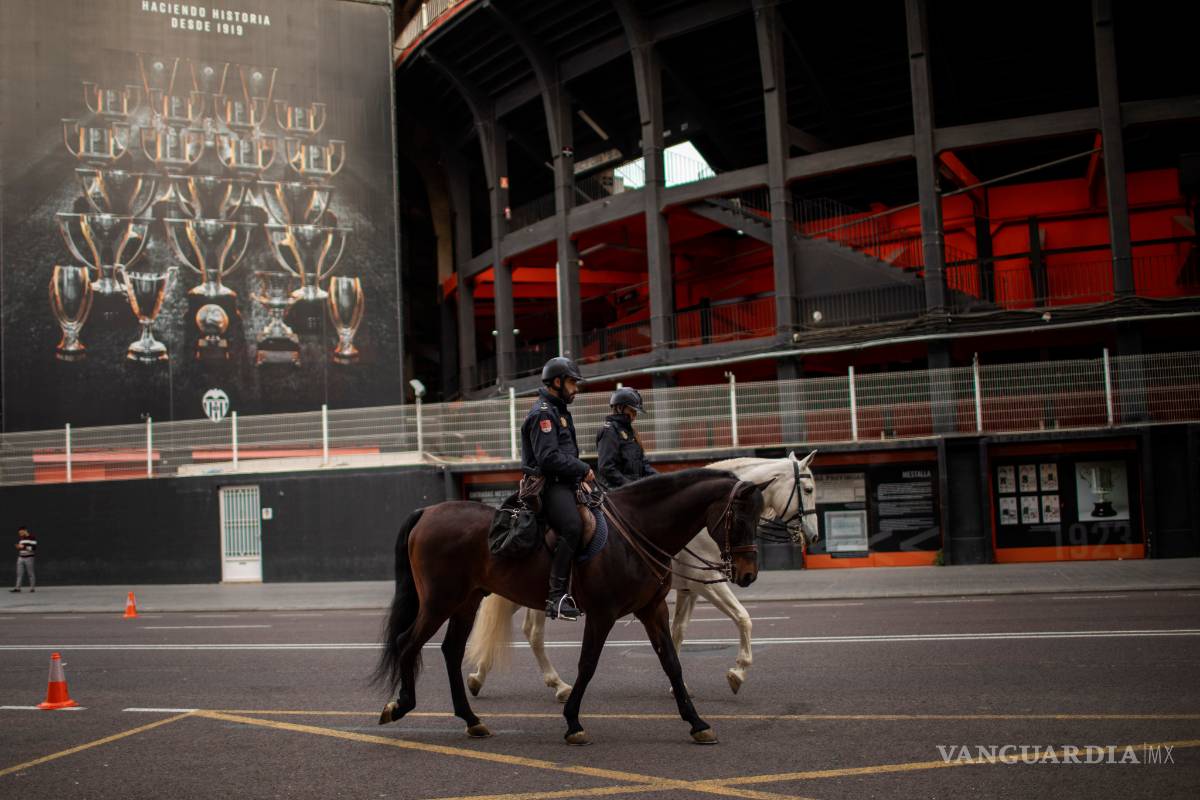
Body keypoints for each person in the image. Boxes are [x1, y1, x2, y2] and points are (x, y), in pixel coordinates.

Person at [520, 356, 593, 621]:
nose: (576, 388)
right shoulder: (544, 413)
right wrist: (582, 468)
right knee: (572, 527)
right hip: (548, 485)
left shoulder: (558, 410)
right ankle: (556, 597)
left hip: (565, 481)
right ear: (558, 382)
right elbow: (548, 458)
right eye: (572, 382)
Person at [595, 387, 656, 489]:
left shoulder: (631, 432)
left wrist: (661, 478)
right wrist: (631, 486)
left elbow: (644, 464)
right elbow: (607, 468)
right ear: (620, 408)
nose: (634, 416)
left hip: (634, 489)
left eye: (635, 412)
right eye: (632, 411)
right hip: (617, 491)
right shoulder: (610, 431)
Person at [12, 526, 35, 593]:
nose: (20, 534)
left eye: (21, 532)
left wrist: (23, 546)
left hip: (29, 557)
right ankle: (17, 588)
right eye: (19, 533)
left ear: (25, 530)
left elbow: (33, 548)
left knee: (30, 573)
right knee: (19, 573)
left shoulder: (32, 537)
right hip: (20, 557)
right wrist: (19, 547)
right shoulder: (21, 539)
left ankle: (32, 588)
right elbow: (22, 548)